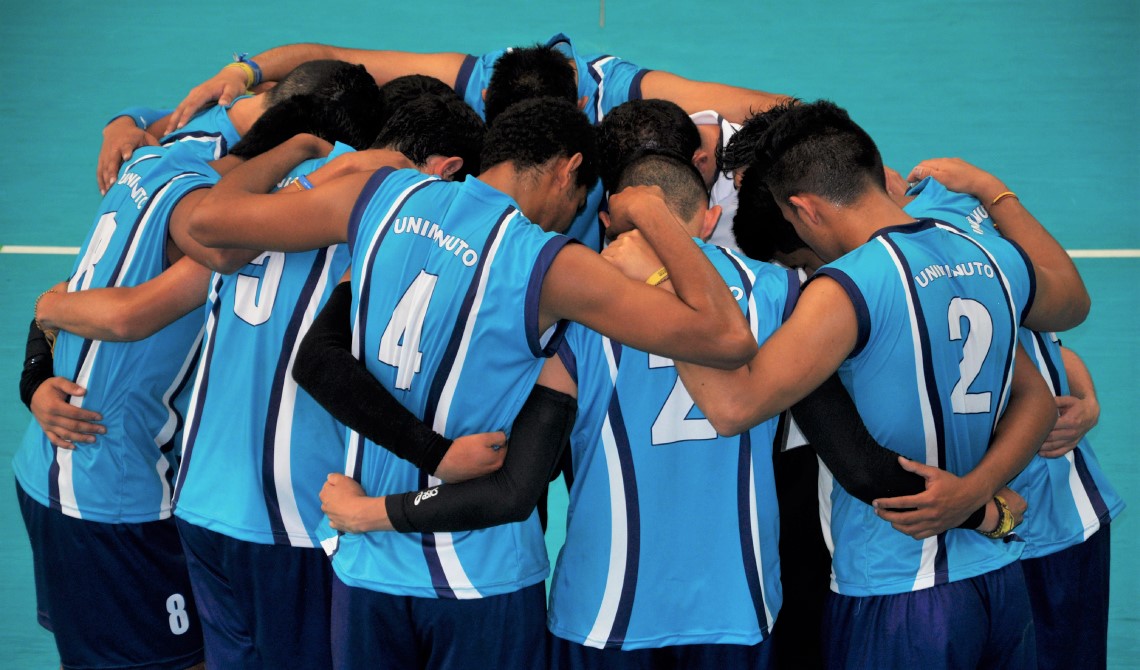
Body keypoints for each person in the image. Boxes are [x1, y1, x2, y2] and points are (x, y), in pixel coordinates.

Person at [182, 96, 756, 668]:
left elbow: (210, 224)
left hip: (366, 569)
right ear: (569, 169)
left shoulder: (380, 198)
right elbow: (726, 339)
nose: (570, 216)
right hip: (481, 580)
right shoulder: (550, 264)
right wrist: (653, 214)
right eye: (580, 200)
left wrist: (304, 148)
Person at [646, 100, 1083, 668]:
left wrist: (665, 273)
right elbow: (1038, 400)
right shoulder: (989, 255)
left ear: (802, 208)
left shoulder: (843, 289)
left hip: (899, 594)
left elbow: (732, 406)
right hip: (999, 582)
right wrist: (975, 493)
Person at [13, 59, 384, 670]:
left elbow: (147, 116)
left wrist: (43, 323)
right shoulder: (205, 217)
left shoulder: (161, 154)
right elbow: (136, 310)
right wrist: (325, 175)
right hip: (112, 488)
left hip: (54, 469)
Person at [895, 157, 1123, 670]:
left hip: (1056, 516)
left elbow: (1052, 342)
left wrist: (1085, 401)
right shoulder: (874, 270)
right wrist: (991, 189)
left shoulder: (962, 223)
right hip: (964, 539)